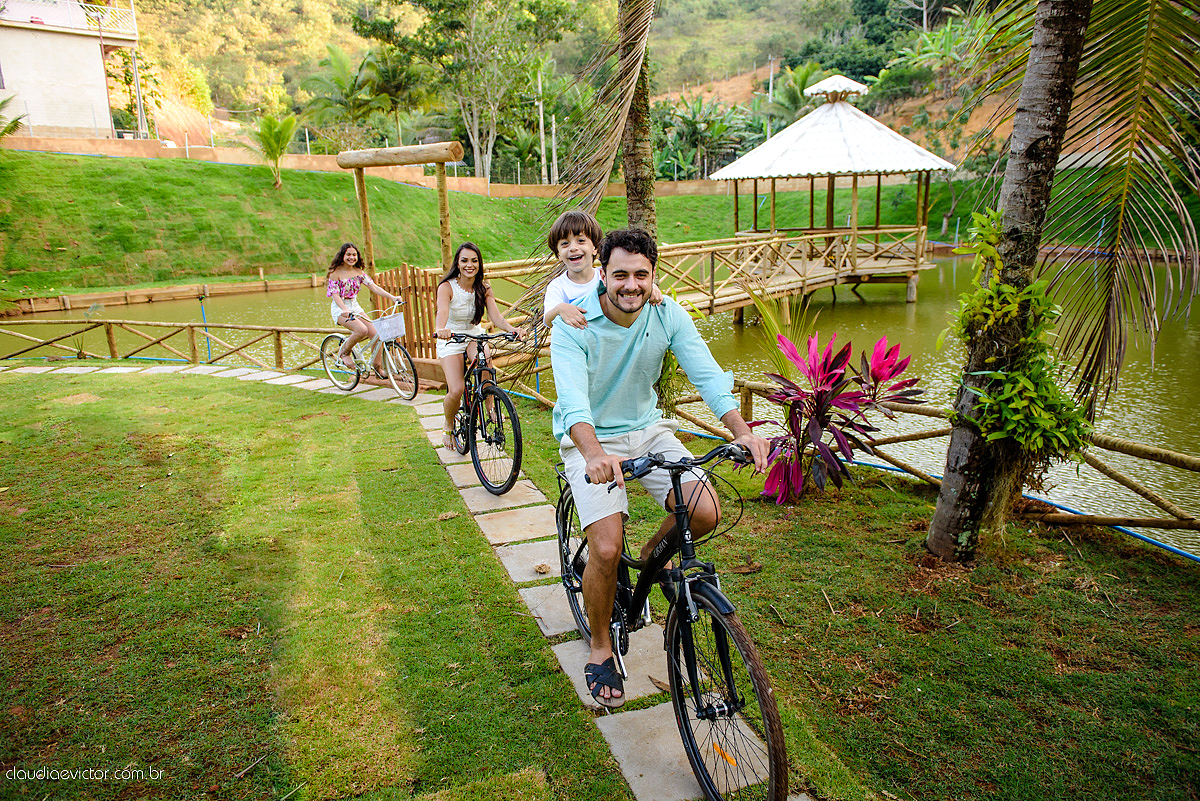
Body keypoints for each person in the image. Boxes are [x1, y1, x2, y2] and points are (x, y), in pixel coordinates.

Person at [550, 227, 770, 708]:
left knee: (706, 509)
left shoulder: (667, 313)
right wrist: (593, 454)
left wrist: (741, 429)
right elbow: (571, 401)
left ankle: (653, 556)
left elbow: (707, 374)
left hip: (648, 430)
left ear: (654, 275)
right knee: (606, 549)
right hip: (590, 441)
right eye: (621, 274)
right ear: (601, 274)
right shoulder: (573, 321)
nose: (631, 285)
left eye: (641, 275)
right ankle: (601, 645)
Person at [434, 242, 524, 451]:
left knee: (485, 359)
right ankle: (448, 423)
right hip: (451, 336)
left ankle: (490, 407)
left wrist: (513, 329)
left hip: (473, 333)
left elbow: (496, 316)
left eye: (474, 261)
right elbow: (442, 312)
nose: (469, 265)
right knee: (456, 389)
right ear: (458, 262)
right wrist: (441, 328)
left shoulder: (483, 287)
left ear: (479, 263)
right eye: (464, 260)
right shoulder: (447, 287)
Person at [542, 209, 661, 329]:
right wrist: (560, 309)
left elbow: (629, 286)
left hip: (607, 336)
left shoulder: (604, 275)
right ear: (558, 254)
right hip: (577, 339)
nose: (573, 248)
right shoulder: (558, 286)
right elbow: (548, 320)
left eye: (581, 241)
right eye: (565, 244)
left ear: (595, 247)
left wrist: (652, 288)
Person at [326, 242, 400, 370]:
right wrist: (344, 309)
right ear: (342, 256)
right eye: (348, 254)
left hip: (355, 305)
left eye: (354, 255)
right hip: (340, 308)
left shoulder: (358, 272)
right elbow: (335, 295)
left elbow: (374, 287)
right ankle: (344, 353)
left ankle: (377, 367)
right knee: (361, 330)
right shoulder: (335, 273)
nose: (351, 257)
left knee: (376, 333)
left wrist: (393, 298)